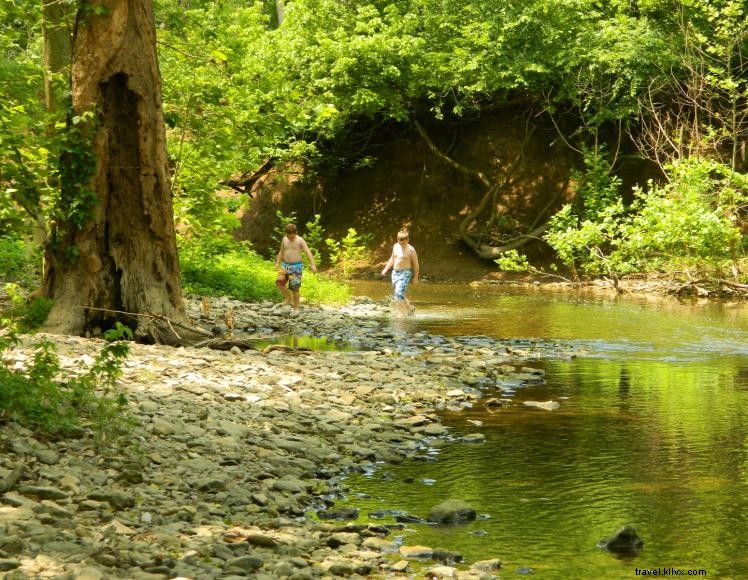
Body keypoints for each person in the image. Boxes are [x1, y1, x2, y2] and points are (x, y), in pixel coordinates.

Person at [275, 223, 317, 309]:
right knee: (279, 282)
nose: (290, 238)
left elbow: (307, 252)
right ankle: (288, 298)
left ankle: (296, 308)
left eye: (292, 236)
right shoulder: (284, 239)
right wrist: (277, 262)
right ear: (286, 233)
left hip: (296, 267)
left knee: (295, 288)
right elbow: (281, 251)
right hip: (285, 266)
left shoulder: (300, 240)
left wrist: (313, 264)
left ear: (296, 232)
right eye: (288, 236)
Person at [381, 230, 419, 316]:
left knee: (398, 293)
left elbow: (416, 264)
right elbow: (392, 258)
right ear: (398, 240)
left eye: (404, 243)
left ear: (408, 240)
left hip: (405, 273)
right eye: (400, 243)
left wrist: (415, 277)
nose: (402, 245)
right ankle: (410, 309)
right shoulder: (395, 246)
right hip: (395, 273)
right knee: (399, 293)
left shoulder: (411, 250)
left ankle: (401, 314)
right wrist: (386, 269)